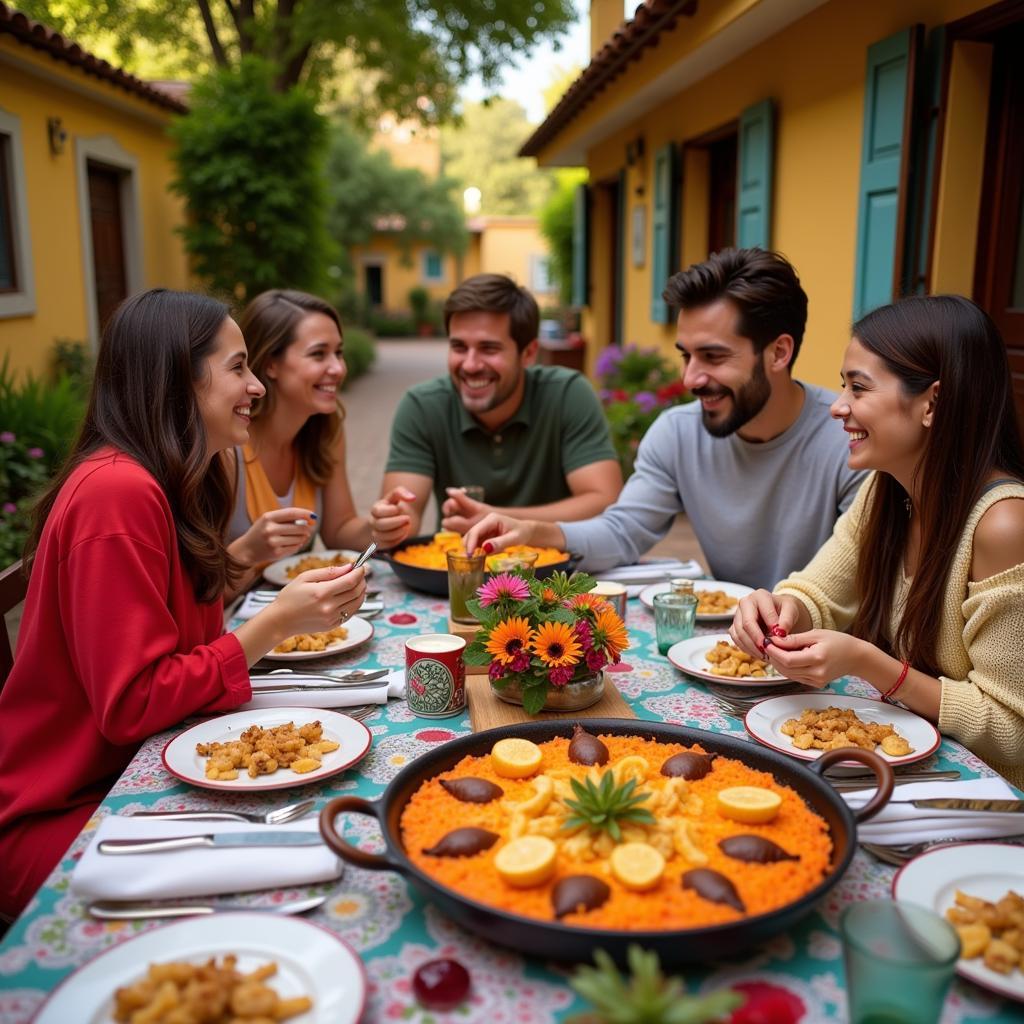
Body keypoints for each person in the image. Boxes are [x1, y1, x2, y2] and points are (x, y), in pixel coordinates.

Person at [0, 290, 366, 922]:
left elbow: (186, 650)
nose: (254, 386)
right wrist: (273, 623)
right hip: (64, 809)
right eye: (237, 367)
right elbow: (133, 703)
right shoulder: (115, 494)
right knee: (296, 872)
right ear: (177, 380)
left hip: (137, 775)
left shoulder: (174, 478)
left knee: (322, 838)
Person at [731, 295, 1024, 787]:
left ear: (933, 402)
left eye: (859, 388)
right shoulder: (886, 490)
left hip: (985, 800)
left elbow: (1012, 729)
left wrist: (868, 662)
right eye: (844, 384)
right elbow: (820, 592)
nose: (838, 406)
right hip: (903, 771)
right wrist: (780, 611)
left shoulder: (1004, 525)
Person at [465, 249, 865, 591]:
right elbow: (623, 532)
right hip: (726, 648)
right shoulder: (678, 432)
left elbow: (852, 581)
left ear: (778, 353)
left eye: (713, 356)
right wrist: (536, 532)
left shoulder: (851, 439)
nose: (690, 378)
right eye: (686, 355)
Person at [369, 273, 623, 548]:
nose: (470, 364)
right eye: (459, 347)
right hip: (461, 575)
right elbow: (408, 514)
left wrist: (498, 518)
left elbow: (604, 502)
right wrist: (393, 522)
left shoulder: (568, 394)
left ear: (528, 353)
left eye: (488, 349)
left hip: (555, 576)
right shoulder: (422, 406)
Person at [225, 290, 385, 590]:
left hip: (304, 619)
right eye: (318, 354)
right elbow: (194, 592)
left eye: (339, 352)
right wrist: (248, 551)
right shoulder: (225, 447)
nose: (338, 368)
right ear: (270, 363)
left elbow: (338, 531)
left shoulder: (325, 430)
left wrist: (379, 527)